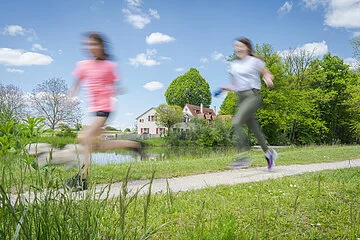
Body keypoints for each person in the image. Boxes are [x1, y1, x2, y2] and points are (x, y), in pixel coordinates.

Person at [67, 32, 142, 191]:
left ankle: (83, 179)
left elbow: (113, 84)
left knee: (84, 138)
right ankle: (135, 144)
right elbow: (78, 80)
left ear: (101, 46)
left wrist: (117, 89)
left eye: (95, 44)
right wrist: (72, 92)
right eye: (89, 45)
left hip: (105, 109)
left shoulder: (109, 66)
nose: (91, 47)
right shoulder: (83, 65)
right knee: (96, 146)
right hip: (94, 111)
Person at [215, 37, 277, 170]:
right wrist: (224, 88)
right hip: (241, 97)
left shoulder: (254, 61)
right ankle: (269, 153)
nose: (238, 49)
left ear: (247, 48)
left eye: (240, 46)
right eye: (236, 46)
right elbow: (235, 84)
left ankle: (243, 156)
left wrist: (267, 78)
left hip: (252, 96)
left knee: (236, 122)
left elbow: (267, 73)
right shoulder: (233, 65)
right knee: (255, 129)